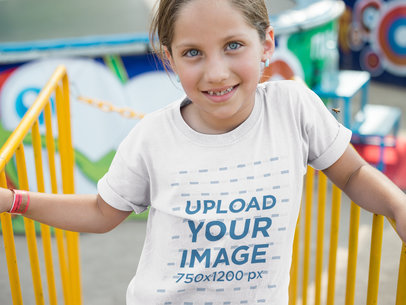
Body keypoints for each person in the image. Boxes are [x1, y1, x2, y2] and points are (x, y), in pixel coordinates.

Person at [1, 0, 405, 304]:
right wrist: (15, 200)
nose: (215, 72)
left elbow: (351, 174)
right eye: (193, 52)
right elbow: (101, 211)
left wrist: (396, 206)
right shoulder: (153, 137)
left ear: (266, 43)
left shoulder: (293, 107)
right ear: (170, 59)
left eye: (233, 45)